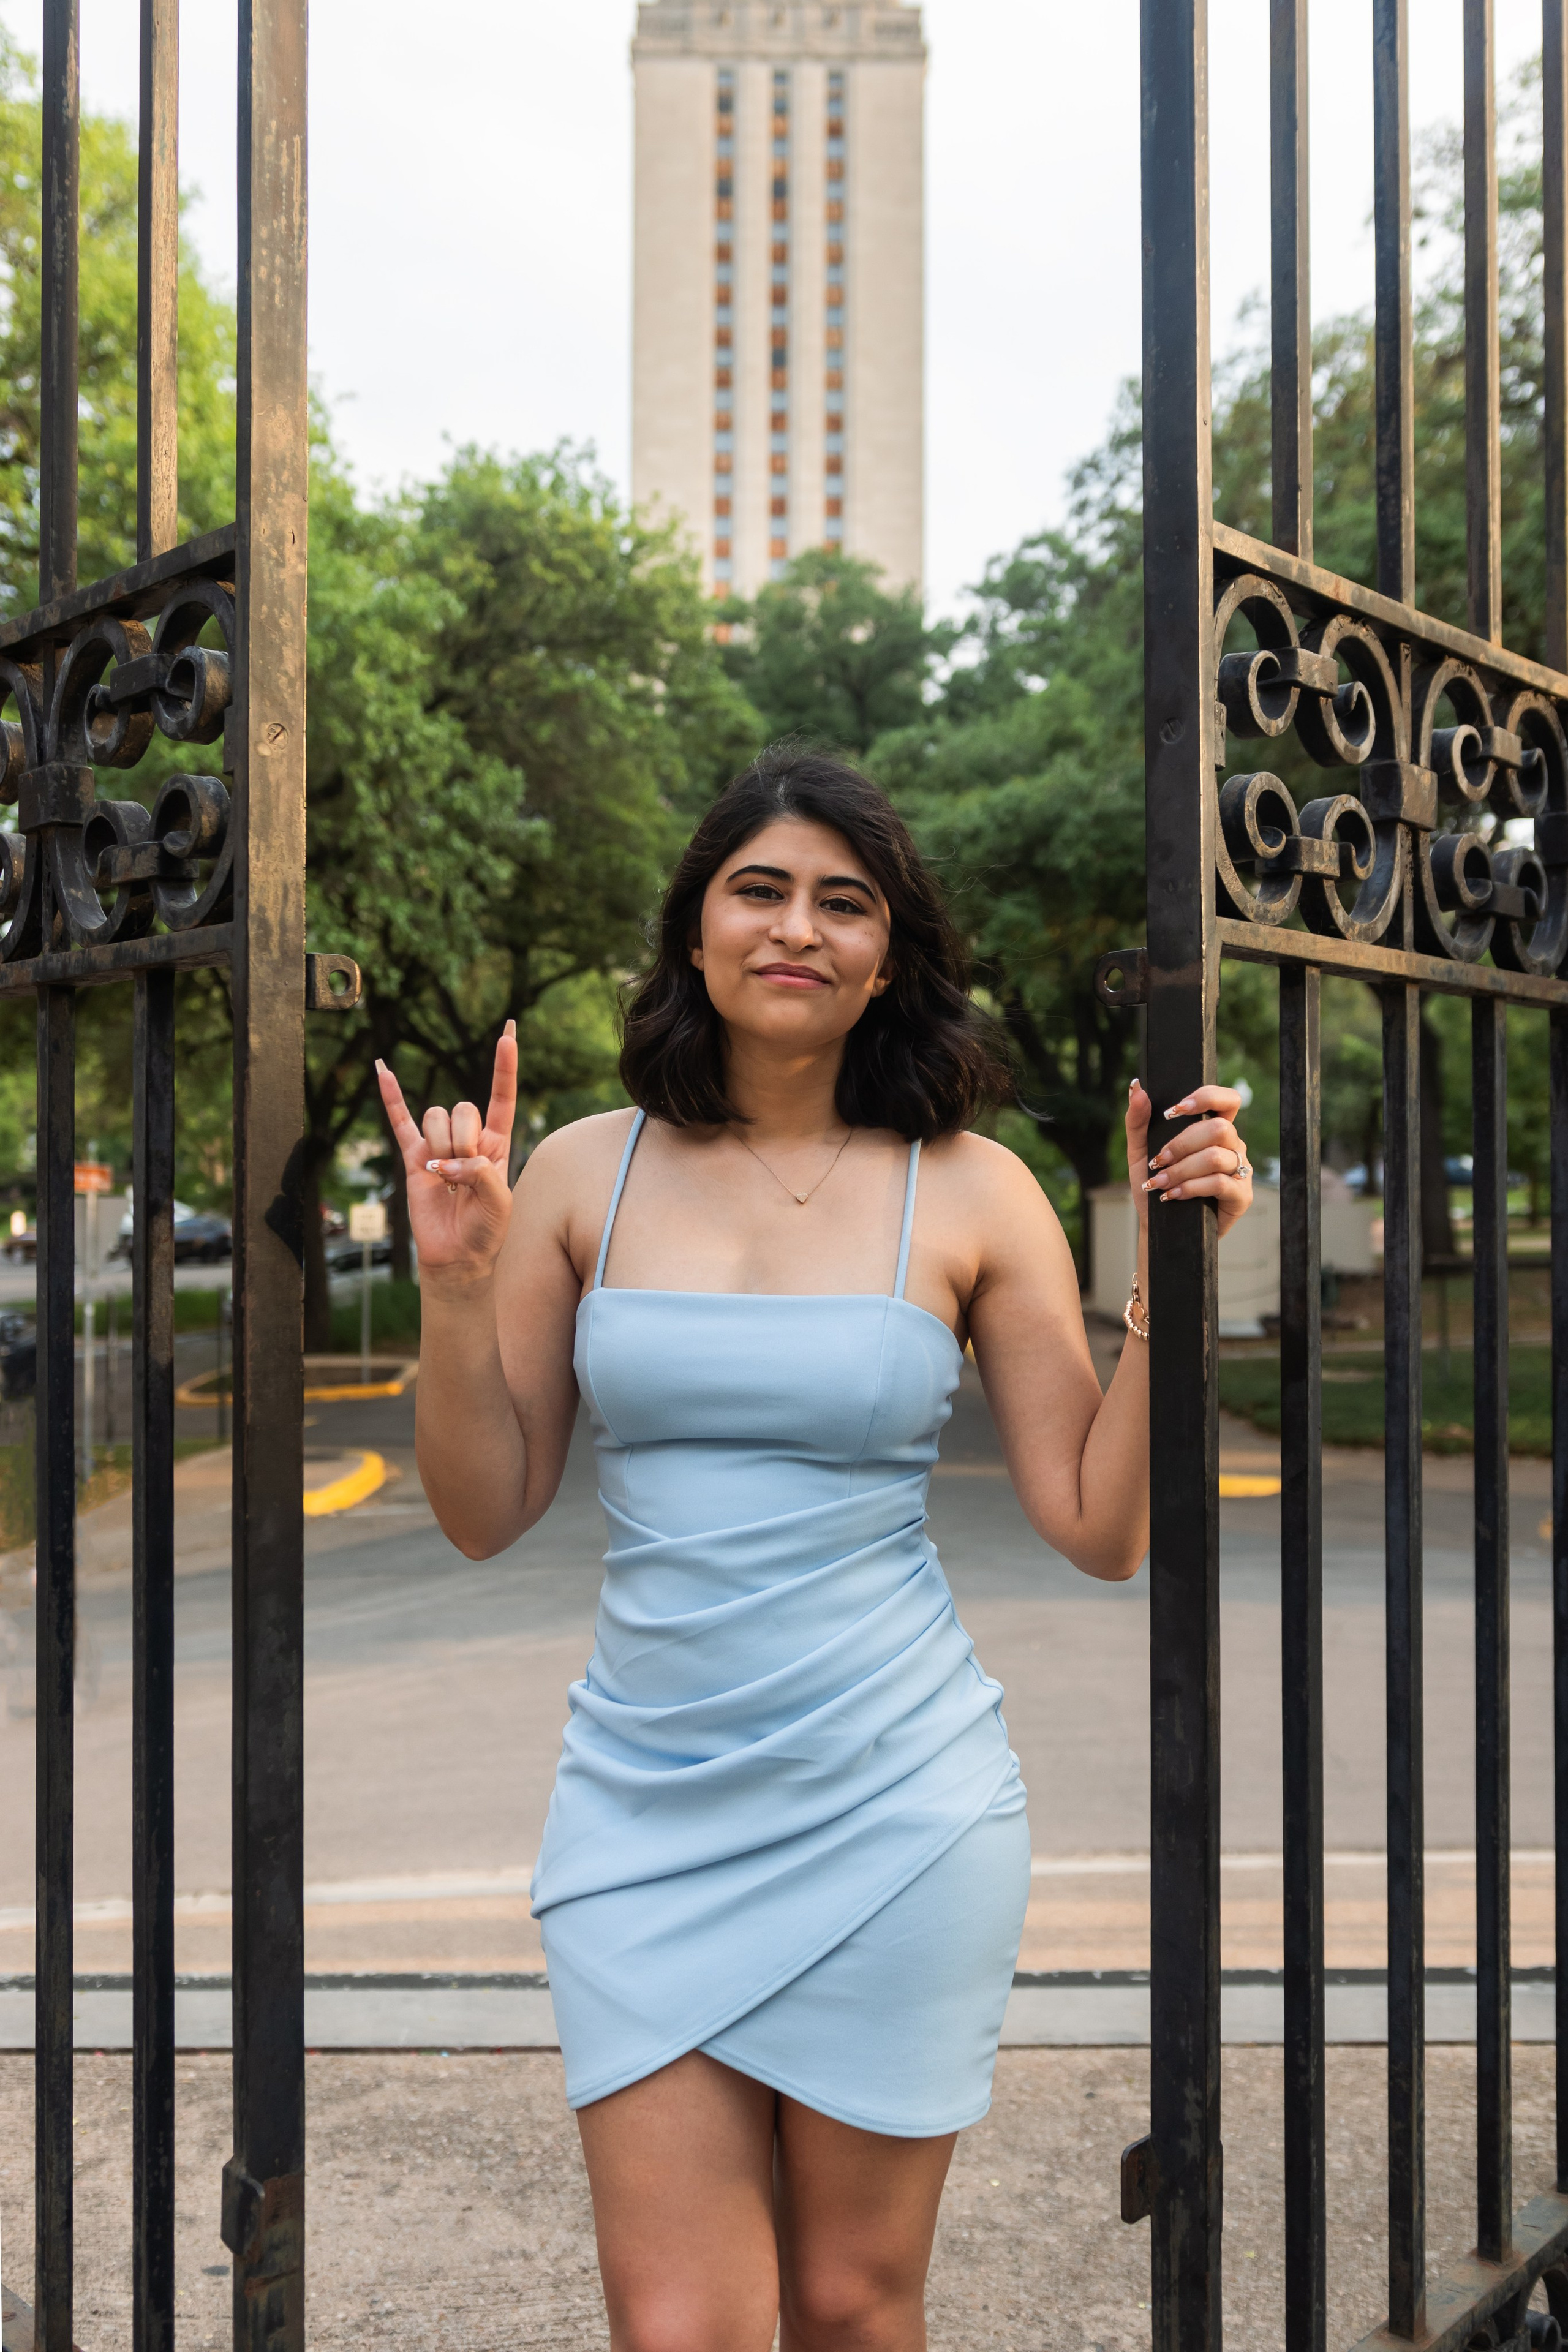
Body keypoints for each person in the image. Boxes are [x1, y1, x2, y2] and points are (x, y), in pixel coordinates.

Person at [376, 747, 1253, 2352]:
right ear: (696, 933)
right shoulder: (582, 1168)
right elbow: (484, 1508)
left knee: (853, 2307)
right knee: (679, 2327)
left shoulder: (979, 1190)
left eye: (844, 902)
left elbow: (1099, 1526)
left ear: (892, 956)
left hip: (900, 1810)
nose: (799, 928)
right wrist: (452, 1286)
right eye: (759, 890)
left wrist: (1170, 1297)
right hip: (646, 1813)